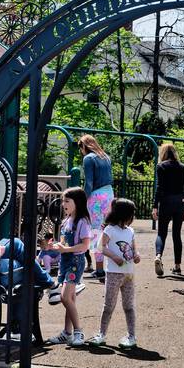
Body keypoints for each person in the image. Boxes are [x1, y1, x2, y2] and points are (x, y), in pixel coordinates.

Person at [89, 198, 141, 349]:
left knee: (129, 306)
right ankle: (101, 334)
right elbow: (101, 247)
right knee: (108, 306)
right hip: (113, 273)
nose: (133, 217)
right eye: (131, 214)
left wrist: (137, 256)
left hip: (129, 274)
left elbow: (134, 249)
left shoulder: (130, 231)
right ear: (124, 214)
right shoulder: (109, 230)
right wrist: (114, 257)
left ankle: (131, 336)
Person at [44, 187, 91, 347]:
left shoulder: (82, 222)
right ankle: (67, 333)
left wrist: (66, 249)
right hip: (65, 262)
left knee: (64, 297)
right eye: (63, 200)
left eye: (67, 201)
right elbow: (64, 244)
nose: (63, 204)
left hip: (75, 263)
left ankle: (78, 331)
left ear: (77, 202)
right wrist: (53, 246)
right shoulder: (66, 221)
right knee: (70, 299)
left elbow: (85, 246)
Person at [151, 142, 184, 277]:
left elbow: (159, 188)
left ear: (162, 153)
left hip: (166, 202)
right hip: (180, 202)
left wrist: (155, 206)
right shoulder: (182, 167)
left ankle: (158, 256)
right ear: (175, 153)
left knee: (161, 233)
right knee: (176, 234)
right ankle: (177, 266)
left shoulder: (161, 167)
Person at [78, 134, 114, 280]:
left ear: (84, 146)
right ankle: (110, 267)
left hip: (96, 198)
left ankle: (99, 270)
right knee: (107, 230)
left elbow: (89, 183)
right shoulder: (106, 156)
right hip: (109, 195)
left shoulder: (88, 158)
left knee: (96, 232)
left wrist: (81, 200)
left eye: (80, 148)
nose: (81, 151)